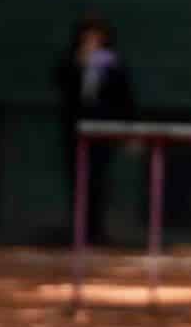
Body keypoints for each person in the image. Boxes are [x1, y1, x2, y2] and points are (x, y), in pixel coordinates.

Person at [55, 14, 135, 246]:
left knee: (99, 181)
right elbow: (60, 82)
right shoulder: (72, 60)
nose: (92, 42)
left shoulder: (113, 63)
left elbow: (124, 95)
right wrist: (79, 62)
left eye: (96, 37)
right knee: (76, 180)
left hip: (103, 131)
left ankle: (96, 229)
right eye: (87, 37)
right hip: (76, 131)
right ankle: (77, 229)